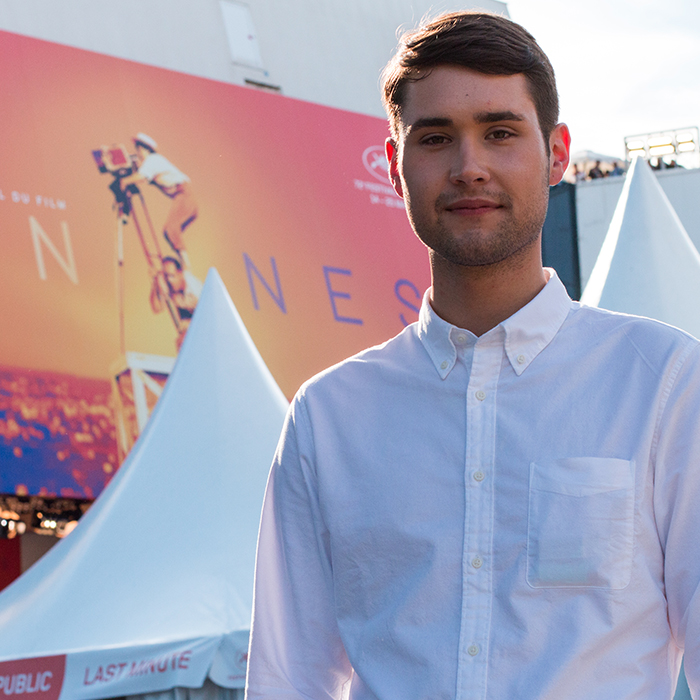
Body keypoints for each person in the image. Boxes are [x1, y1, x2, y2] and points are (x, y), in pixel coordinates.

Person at [246, 11, 700, 700]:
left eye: (499, 131)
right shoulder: (328, 417)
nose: (469, 167)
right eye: (435, 139)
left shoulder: (664, 383)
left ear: (557, 154)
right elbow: (286, 678)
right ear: (395, 168)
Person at [120, 133, 198, 270]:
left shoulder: (152, 160)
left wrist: (125, 181)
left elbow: (141, 177)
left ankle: (187, 266)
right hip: (185, 196)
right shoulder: (152, 162)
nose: (138, 154)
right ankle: (183, 264)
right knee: (169, 233)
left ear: (144, 149)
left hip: (185, 195)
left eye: (138, 150)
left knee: (170, 229)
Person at [150, 256, 202, 349]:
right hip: (188, 323)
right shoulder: (169, 284)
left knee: (184, 342)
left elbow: (210, 315)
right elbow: (157, 308)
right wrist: (155, 282)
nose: (169, 280)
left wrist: (191, 323)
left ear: (180, 273)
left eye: (172, 276)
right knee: (180, 343)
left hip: (202, 322)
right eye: (166, 276)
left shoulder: (195, 288)